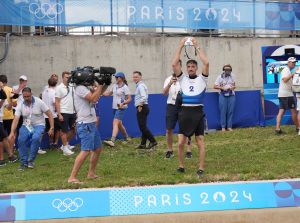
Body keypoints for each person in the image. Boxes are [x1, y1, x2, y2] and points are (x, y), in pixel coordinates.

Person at [172, 37, 209, 177]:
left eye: (193, 66)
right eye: (188, 67)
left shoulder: (203, 78)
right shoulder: (182, 78)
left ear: (196, 68)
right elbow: (174, 63)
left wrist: (197, 46)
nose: (191, 68)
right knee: (181, 142)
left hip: (198, 112)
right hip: (185, 112)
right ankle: (181, 166)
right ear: (186, 68)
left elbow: (206, 62)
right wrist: (180, 45)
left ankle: (201, 168)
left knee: (200, 141)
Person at [68, 76, 110, 184]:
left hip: (91, 123)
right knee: (86, 150)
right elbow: (94, 98)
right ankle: (72, 177)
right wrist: (100, 85)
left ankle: (91, 174)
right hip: (85, 124)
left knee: (97, 148)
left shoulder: (85, 87)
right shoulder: (80, 88)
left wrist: (105, 84)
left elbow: (98, 93)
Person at [8, 87, 54, 171]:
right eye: (24, 97)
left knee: (36, 138)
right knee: (21, 140)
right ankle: (23, 163)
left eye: (28, 96)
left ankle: (31, 160)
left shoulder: (39, 102)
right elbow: (16, 119)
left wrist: (51, 127)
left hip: (39, 125)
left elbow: (50, 114)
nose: (26, 98)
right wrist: (12, 132)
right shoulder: (21, 104)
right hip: (27, 125)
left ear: (31, 94)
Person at [163, 60, 193, 159]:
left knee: (187, 128)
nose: (175, 67)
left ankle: (188, 150)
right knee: (169, 129)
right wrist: (170, 84)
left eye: (177, 65)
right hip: (171, 105)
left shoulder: (186, 79)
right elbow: (164, 93)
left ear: (180, 66)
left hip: (183, 106)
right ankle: (170, 150)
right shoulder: (168, 79)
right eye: (174, 66)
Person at [103, 72, 131, 147]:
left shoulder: (125, 87)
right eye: (115, 77)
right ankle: (126, 137)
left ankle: (112, 140)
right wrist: (99, 92)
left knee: (115, 122)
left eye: (117, 77)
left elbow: (129, 99)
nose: (116, 78)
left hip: (121, 108)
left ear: (122, 78)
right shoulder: (114, 86)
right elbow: (108, 94)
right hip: (114, 107)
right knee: (119, 124)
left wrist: (123, 103)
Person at [133, 71, 157, 149]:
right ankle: (143, 144)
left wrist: (139, 106)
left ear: (140, 77)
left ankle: (153, 141)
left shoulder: (140, 86)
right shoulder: (140, 85)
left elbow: (144, 97)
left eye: (136, 77)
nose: (134, 78)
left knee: (142, 127)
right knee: (143, 126)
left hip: (142, 107)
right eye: (134, 77)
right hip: (144, 107)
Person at [275, 57, 299, 134]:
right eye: (292, 62)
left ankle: (277, 129)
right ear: (288, 63)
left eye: (294, 62)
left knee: (281, 111)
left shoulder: (287, 70)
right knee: (293, 111)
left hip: (284, 94)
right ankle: (298, 127)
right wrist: (294, 73)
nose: (294, 64)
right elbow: (285, 80)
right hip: (287, 95)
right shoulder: (286, 70)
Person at [55, 71, 75, 156]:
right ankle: (65, 149)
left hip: (72, 112)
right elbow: (57, 102)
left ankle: (65, 145)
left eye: (69, 77)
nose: (68, 79)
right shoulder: (59, 88)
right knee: (63, 131)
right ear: (63, 77)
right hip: (63, 112)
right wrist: (59, 114)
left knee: (74, 129)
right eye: (67, 77)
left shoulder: (72, 86)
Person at [0, 75, 18, 164]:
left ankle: (10, 156)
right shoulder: (6, 92)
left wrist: (10, 99)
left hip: (2, 119)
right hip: (4, 119)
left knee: (4, 138)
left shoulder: (3, 93)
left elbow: (9, 107)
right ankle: (3, 158)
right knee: (4, 138)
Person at [214, 64, 236, 131]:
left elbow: (234, 85)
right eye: (226, 70)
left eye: (229, 70)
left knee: (230, 111)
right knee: (223, 111)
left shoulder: (233, 76)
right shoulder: (219, 77)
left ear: (230, 70)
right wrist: (222, 88)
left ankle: (229, 126)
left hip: (231, 95)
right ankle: (223, 127)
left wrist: (232, 87)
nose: (227, 71)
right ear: (223, 70)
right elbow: (214, 86)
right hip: (222, 95)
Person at [41, 77, 61, 150]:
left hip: (45, 114)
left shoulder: (44, 91)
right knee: (58, 129)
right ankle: (55, 143)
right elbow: (55, 102)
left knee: (49, 129)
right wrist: (58, 112)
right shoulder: (54, 92)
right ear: (55, 84)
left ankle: (50, 143)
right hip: (52, 114)